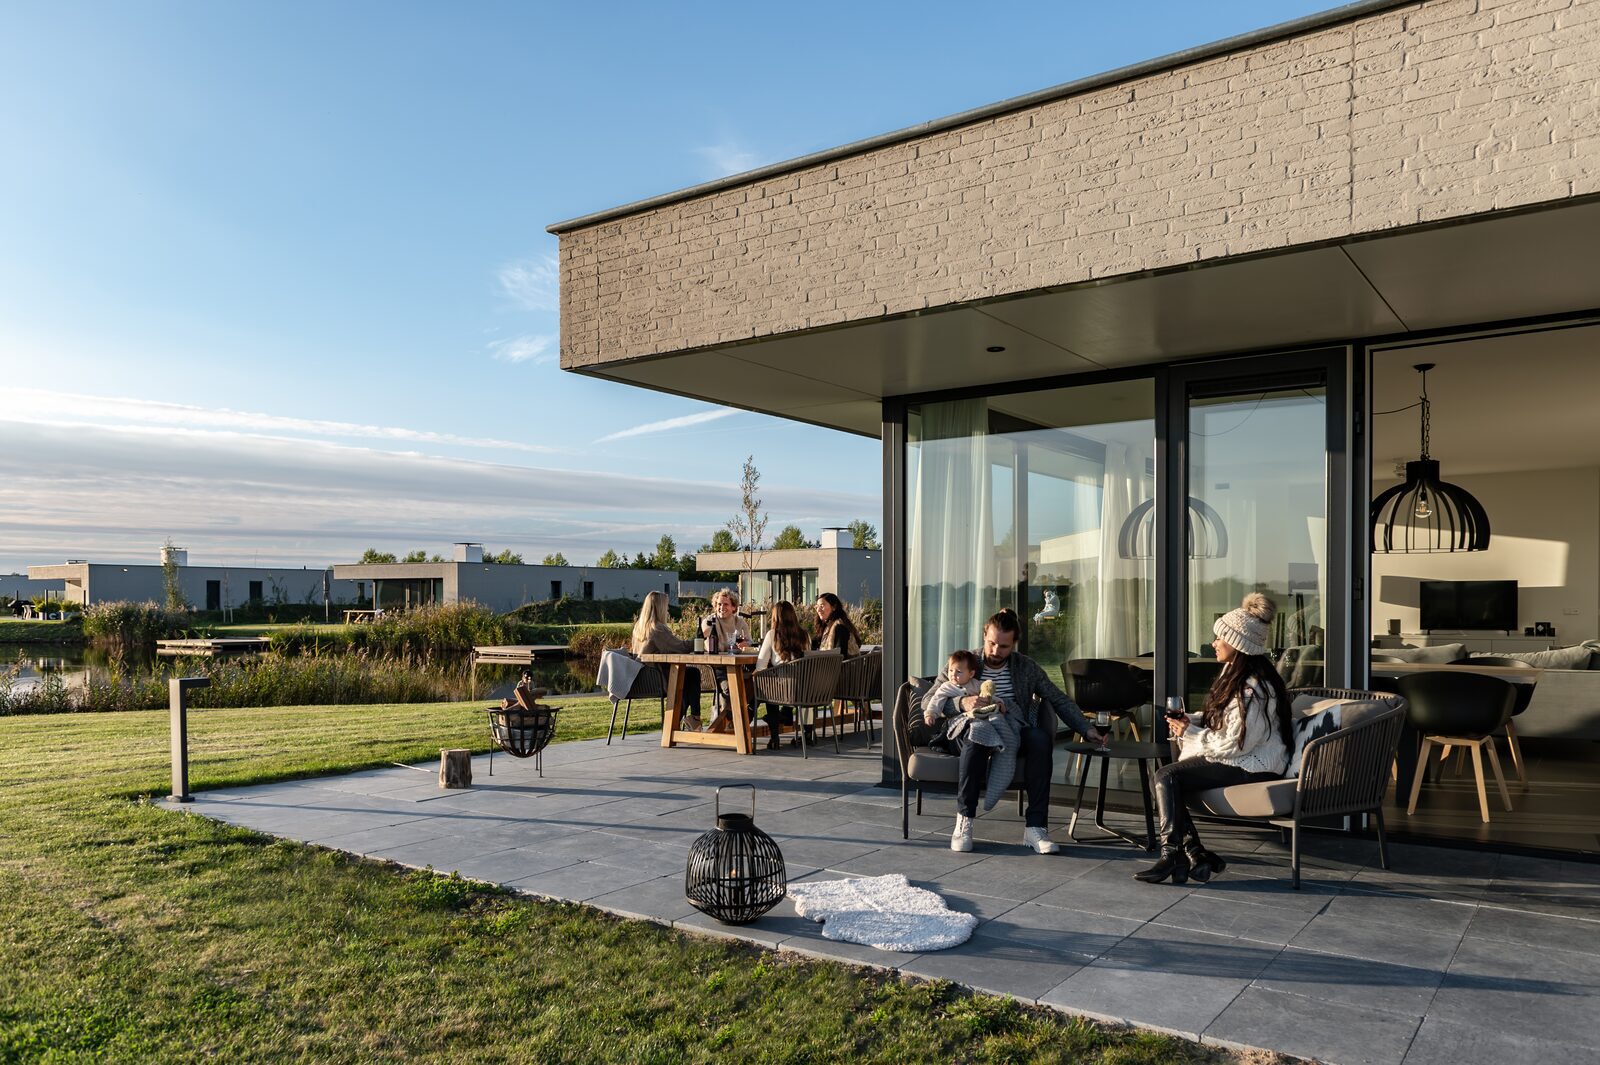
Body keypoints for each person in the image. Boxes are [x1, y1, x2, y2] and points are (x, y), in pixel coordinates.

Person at [1136, 592, 1293, 885]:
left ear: (1236, 644)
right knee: (1167, 778)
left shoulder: (1254, 689)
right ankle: (1194, 854)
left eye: (1219, 638)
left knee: (1167, 777)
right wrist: (1192, 720)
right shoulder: (1234, 674)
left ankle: (1174, 856)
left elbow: (1237, 743)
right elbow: (1224, 719)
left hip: (1253, 766)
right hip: (1242, 759)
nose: (1213, 643)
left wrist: (1191, 733)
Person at [924, 608, 1104, 854]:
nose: (996, 651)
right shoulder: (963, 661)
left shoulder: (1025, 667)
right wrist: (961, 703)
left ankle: (1035, 828)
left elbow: (1057, 698)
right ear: (984, 635)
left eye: (1004, 646)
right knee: (977, 736)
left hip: (1011, 728)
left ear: (1014, 644)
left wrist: (1086, 728)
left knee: (1040, 739)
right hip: (967, 725)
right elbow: (928, 700)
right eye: (992, 643)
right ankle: (964, 822)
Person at [630, 589, 703, 731]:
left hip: (642, 680)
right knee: (692, 674)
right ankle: (692, 718)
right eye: (666, 605)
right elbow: (681, 647)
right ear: (660, 607)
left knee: (686, 678)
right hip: (657, 680)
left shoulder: (639, 628)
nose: (668, 609)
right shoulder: (658, 629)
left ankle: (679, 723)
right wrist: (700, 638)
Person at [754, 599, 811, 749]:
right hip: (806, 689)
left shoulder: (773, 634)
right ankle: (796, 725)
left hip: (784, 691)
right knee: (770, 682)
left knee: (766, 683)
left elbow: (760, 666)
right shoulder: (805, 635)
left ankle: (774, 737)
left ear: (775, 617)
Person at [702, 588, 751, 731]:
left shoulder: (739, 622)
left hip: (737, 667)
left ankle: (737, 720)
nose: (721, 607)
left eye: (725, 604)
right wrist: (706, 629)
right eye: (718, 604)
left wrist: (745, 644)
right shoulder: (710, 620)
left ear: (734, 607)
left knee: (754, 685)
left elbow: (748, 642)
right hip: (716, 669)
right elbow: (702, 636)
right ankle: (728, 720)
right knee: (731, 688)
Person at [811, 592, 862, 656]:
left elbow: (841, 655)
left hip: (844, 665)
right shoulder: (827, 626)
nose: (818, 610)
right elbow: (813, 643)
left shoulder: (840, 627)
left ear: (834, 607)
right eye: (817, 607)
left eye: (822, 606)